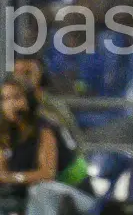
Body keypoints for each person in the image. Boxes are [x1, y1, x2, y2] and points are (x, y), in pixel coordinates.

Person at [0, 78, 95, 215]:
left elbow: (46, 174)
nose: (10, 104)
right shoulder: (6, 132)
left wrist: (12, 177)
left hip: (76, 196)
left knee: (41, 190)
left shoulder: (45, 128)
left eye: (17, 97)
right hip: (44, 198)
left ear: (29, 100)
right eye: (5, 99)